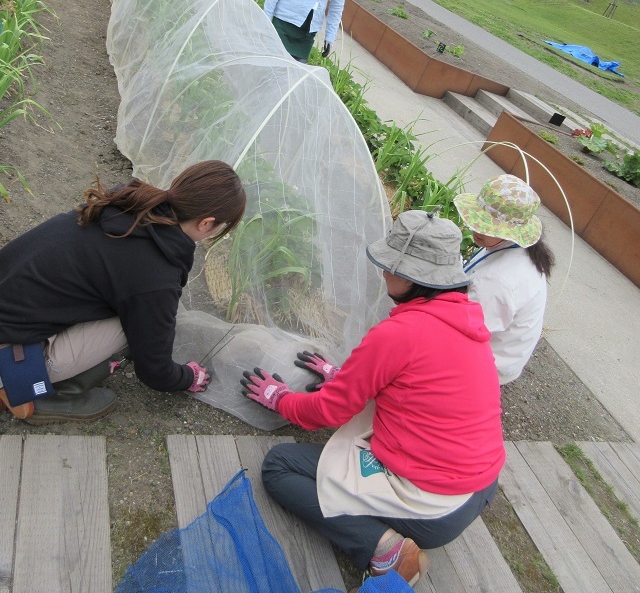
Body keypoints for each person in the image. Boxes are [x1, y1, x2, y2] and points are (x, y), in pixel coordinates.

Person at [241, 211, 504, 591]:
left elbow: (327, 411)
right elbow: (417, 385)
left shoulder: (399, 333)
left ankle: (386, 551)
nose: (383, 275)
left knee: (280, 466)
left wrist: (281, 399)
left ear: (413, 278)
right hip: (480, 487)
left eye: (389, 267)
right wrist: (343, 377)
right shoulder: (467, 320)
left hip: (432, 505)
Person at [0, 161, 246, 424]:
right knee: (136, 325)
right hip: (10, 349)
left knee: (140, 310)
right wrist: (187, 376)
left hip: (10, 296)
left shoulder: (128, 203)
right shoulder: (154, 273)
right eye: (222, 227)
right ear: (207, 223)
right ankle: (40, 394)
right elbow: (154, 371)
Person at [454, 174, 555, 385]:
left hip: (487, 367)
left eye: (487, 227)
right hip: (502, 354)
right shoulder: (516, 249)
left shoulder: (497, 281)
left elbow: (463, 329)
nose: (476, 229)